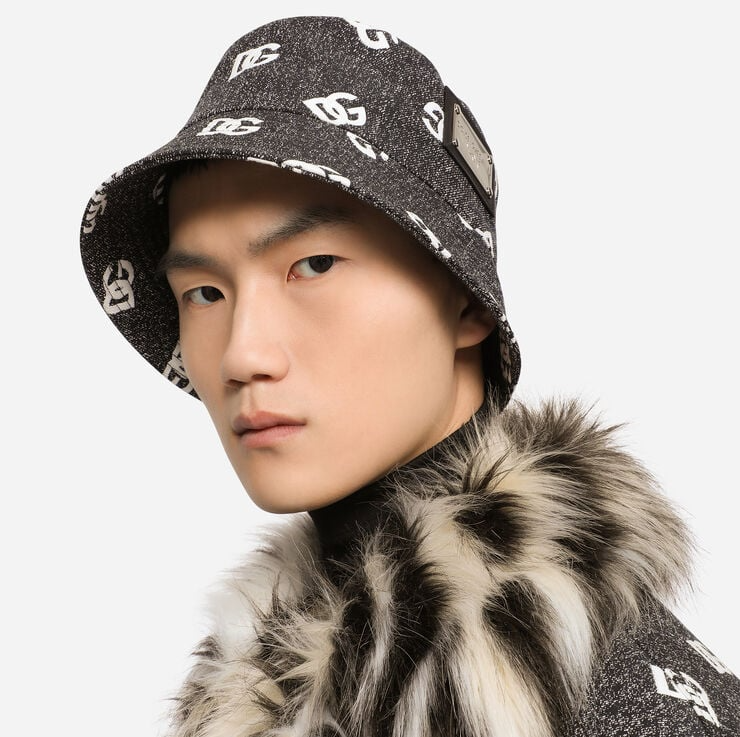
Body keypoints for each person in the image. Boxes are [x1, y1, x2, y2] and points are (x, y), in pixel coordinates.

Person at [79, 15, 740, 737]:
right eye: (205, 292)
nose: (241, 355)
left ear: (466, 300)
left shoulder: (638, 708)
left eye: (313, 265)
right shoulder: (279, 676)